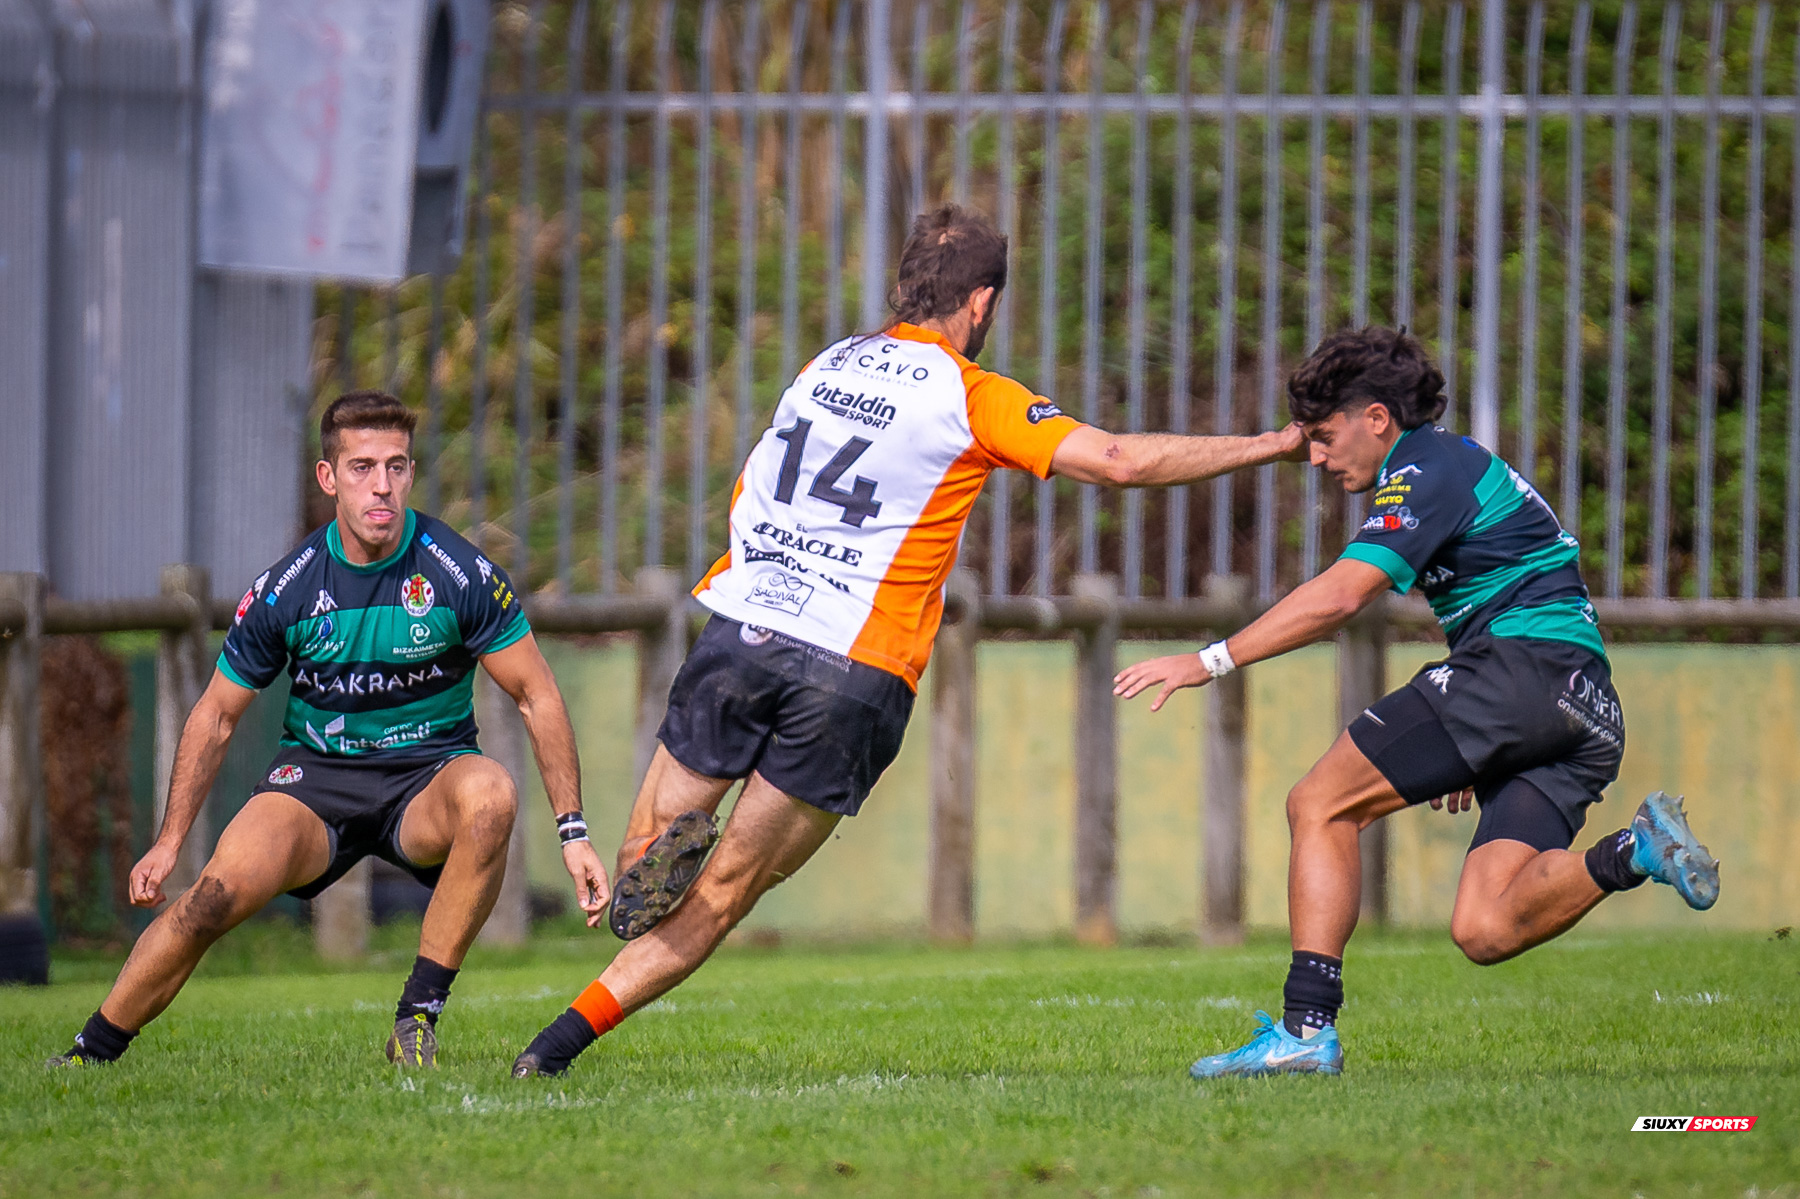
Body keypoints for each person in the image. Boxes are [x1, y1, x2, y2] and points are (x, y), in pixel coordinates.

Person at [509, 203, 1308, 1077]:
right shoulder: (972, 394)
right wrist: (1269, 444)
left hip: (746, 629)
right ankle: (554, 1046)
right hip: (854, 665)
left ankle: (660, 863)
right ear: (982, 303)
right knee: (730, 889)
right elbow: (1117, 460)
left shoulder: (826, 366)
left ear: (902, 288)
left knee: (645, 863)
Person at [1114, 326, 1719, 1078]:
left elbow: (1342, 594)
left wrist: (1211, 658)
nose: (1319, 457)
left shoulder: (1425, 466)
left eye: (1328, 437)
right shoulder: (1458, 465)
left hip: (1521, 671)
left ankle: (1305, 1028)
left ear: (1377, 418)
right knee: (1486, 926)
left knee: (1321, 803)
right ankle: (1636, 851)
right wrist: (1484, 733)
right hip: (1584, 705)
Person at [48, 392, 608, 1070]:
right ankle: (90, 1053)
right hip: (314, 784)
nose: (382, 485)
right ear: (328, 477)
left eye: (397, 466)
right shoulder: (289, 586)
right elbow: (217, 715)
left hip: (426, 778)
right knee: (214, 894)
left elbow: (537, 693)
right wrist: (170, 840)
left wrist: (573, 831)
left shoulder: (458, 571)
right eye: (362, 466)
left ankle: (416, 1018)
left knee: (491, 793)